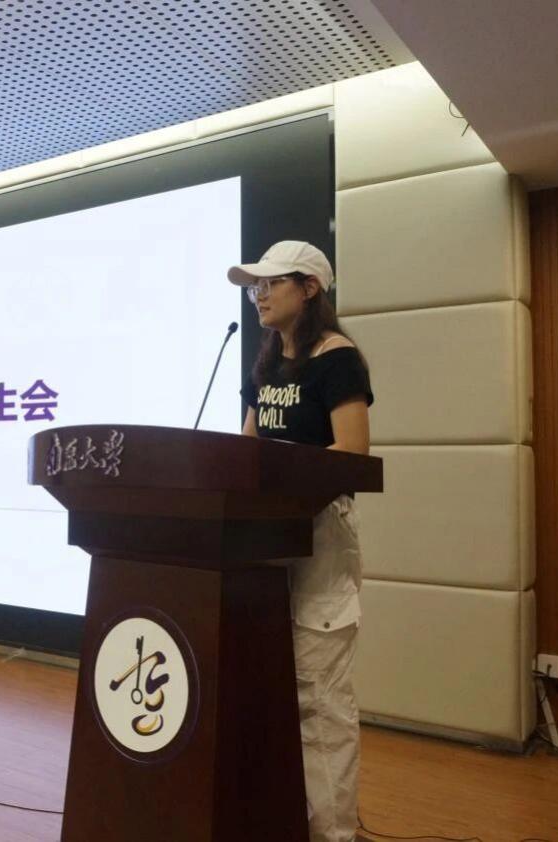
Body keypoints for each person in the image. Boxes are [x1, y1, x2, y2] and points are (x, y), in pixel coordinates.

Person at [228, 240, 374, 842]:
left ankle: (333, 835)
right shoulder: (266, 367)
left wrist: (283, 474)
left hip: (319, 538)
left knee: (318, 696)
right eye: (254, 288)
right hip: (265, 542)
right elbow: (245, 452)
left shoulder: (336, 358)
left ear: (310, 288)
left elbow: (354, 451)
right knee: (269, 687)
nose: (259, 295)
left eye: (270, 284)